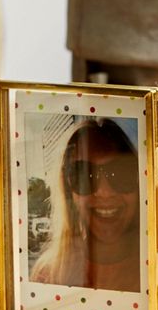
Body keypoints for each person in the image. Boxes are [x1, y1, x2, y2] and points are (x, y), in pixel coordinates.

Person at [31, 119, 140, 291]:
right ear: (69, 192)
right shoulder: (48, 274)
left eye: (120, 172)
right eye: (85, 176)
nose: (104, 192)